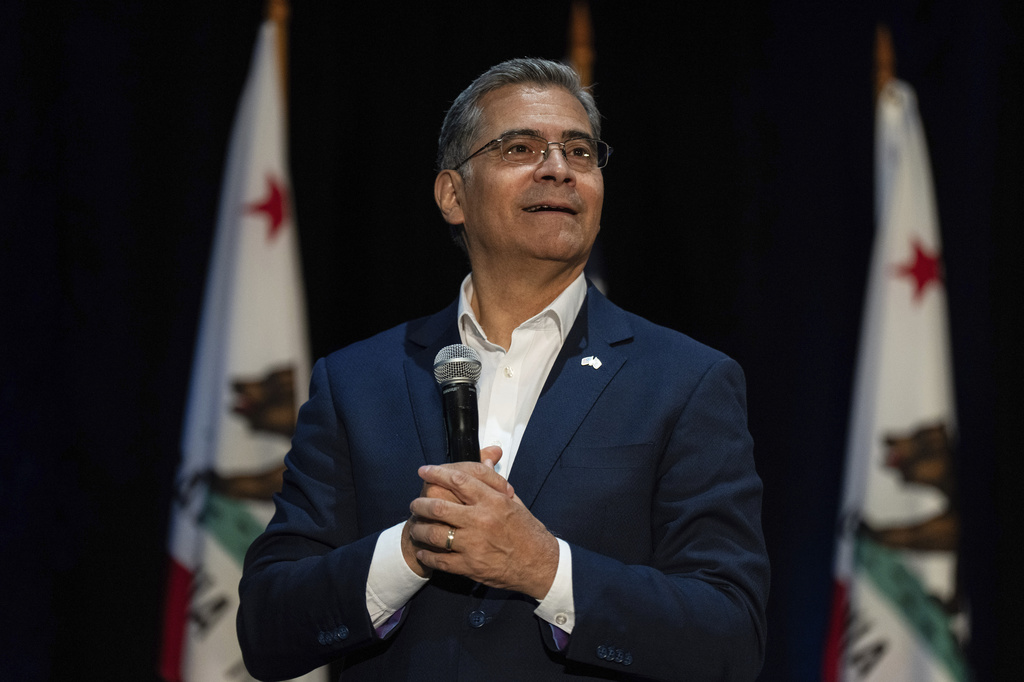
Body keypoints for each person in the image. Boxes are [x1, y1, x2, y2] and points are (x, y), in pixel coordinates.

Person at [237, 57, 769, 681]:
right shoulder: (355, 382)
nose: (559, 168)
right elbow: (268, 629)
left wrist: (543, 567)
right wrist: (408, 552)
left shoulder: (687, 381)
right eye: (521, 147)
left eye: (581, 151)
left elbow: (730, 638)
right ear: (452, 195)